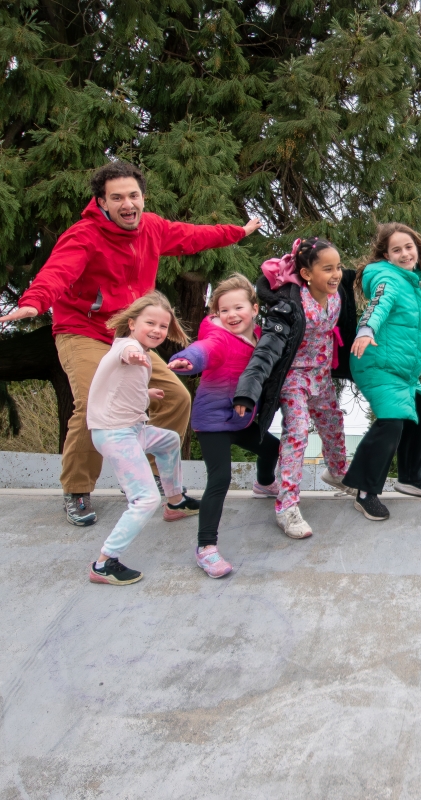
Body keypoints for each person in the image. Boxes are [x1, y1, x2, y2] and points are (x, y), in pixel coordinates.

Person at [0, 161, 261, 528]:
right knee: (94, 405)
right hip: (82, 331)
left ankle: (153, 481)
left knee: (178, 399)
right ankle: (77, 489)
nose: (127, 204)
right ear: (102, 203)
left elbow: (192, 235)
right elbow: (58, 272)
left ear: (142, 198)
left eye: (133, 196)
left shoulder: (152, 228)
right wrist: (35, 301)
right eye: (116, 198)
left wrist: (236, 232)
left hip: (127, 335)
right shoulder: (84, 235)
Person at [233, 238, 350, 540]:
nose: (336, 274)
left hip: (322, 376)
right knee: (297, 432)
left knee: (333, 422)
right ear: (307, 274)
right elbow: (266, 349)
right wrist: (248, 390)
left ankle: (337, 472)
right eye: (327, 269)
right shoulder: (289, 305)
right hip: (294, 379)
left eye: (338, 267)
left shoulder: (337, 297)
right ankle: (286, 505)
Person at [168, 274, 281, 578]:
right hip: (213, 421)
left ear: (255, 308)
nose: (231, 315)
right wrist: (186, 360)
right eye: (224, 310)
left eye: (238, 308)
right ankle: (206, 548)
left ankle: (264, 482)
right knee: (220, 479)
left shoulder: (261, 337)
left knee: (272, 447)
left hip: (241, 419)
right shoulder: (219, 337)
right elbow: (204, 350)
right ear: (216, 314)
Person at [86, 292, 198, 585]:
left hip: (133, 429)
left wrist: (146, 393)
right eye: (150, 323)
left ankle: (175, 501)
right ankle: (104, 562)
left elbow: (120, 384)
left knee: (170, 440)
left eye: (163, 326)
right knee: (145, 498)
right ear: (132, 323)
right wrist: (134, 355)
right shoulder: (128, 347)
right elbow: (125, 356)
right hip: (115, 434)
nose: (157, 331)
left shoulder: (142, 352)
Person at [341, 223, 421, 520]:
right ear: (386, 256)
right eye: (396, 250)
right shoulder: (387, 277)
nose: (404, 253)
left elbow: (414, 324)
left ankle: (410, 478)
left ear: (418, 250)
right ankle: (364, 491)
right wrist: (366, 329)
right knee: (392, 421)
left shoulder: (410, 282)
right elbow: (378, 305)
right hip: (375, 362)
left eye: (408, 247)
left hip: (398, 369)